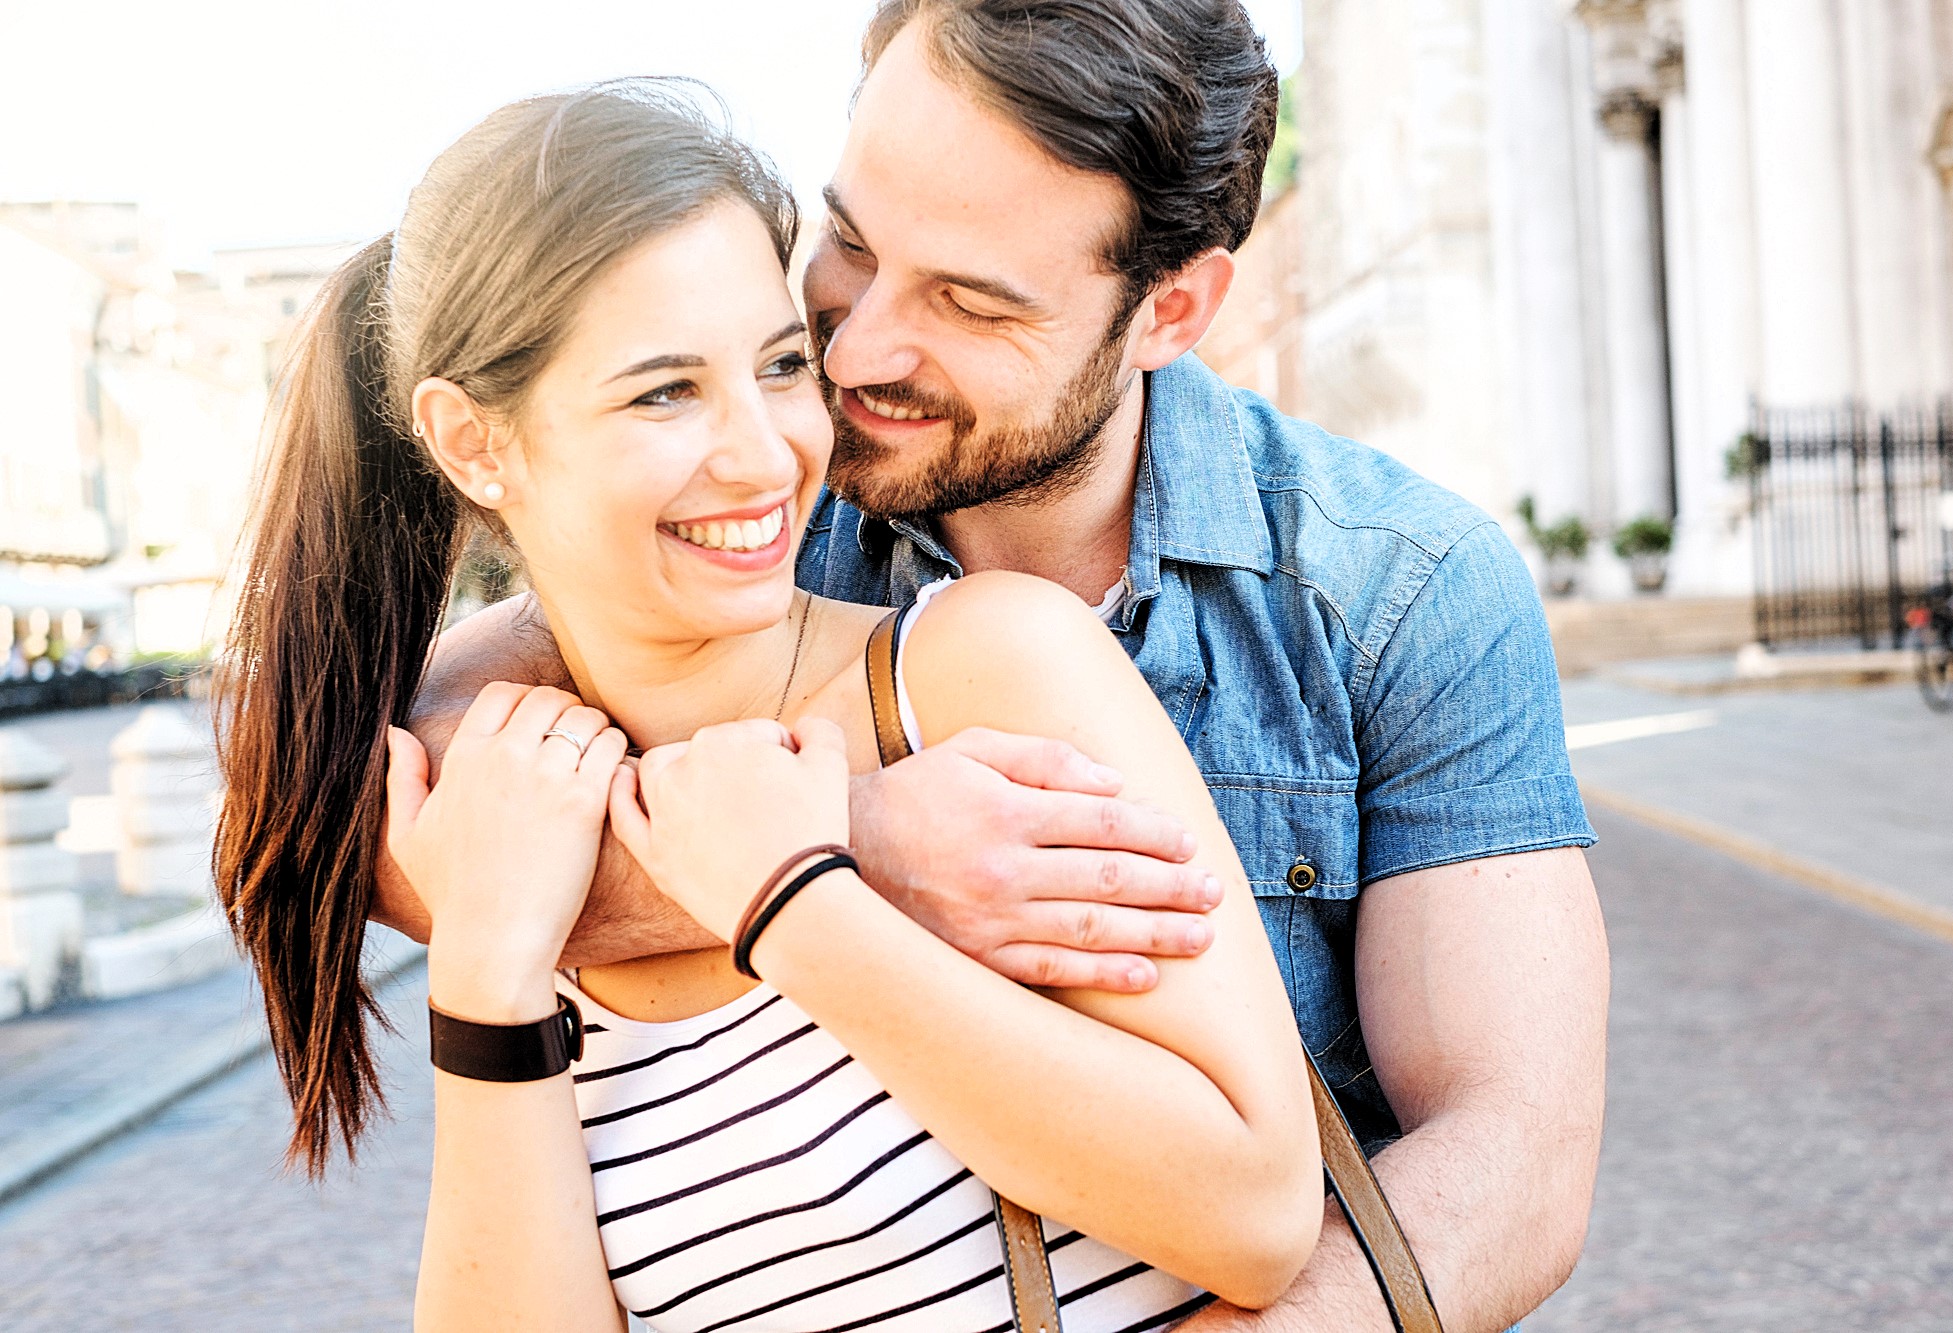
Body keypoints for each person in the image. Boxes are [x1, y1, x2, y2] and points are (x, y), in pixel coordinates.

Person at [388, 3, 1614, 1330]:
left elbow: (1513, 1168)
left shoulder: (1396, 590)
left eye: (970, 301)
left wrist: (807, 873)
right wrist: (869, 843)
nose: (853, 354)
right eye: (850, 241)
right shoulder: (731, 543)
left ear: (1172, 308)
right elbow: (344, 819)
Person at [214, 79, 1324, 1332]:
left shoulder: (978, 671)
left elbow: (1258, 1218)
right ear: (475, 444)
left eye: (780, 364)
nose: (766, 451)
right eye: (662, 392)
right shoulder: (500, 809)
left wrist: (792, 898)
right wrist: (488, 970)